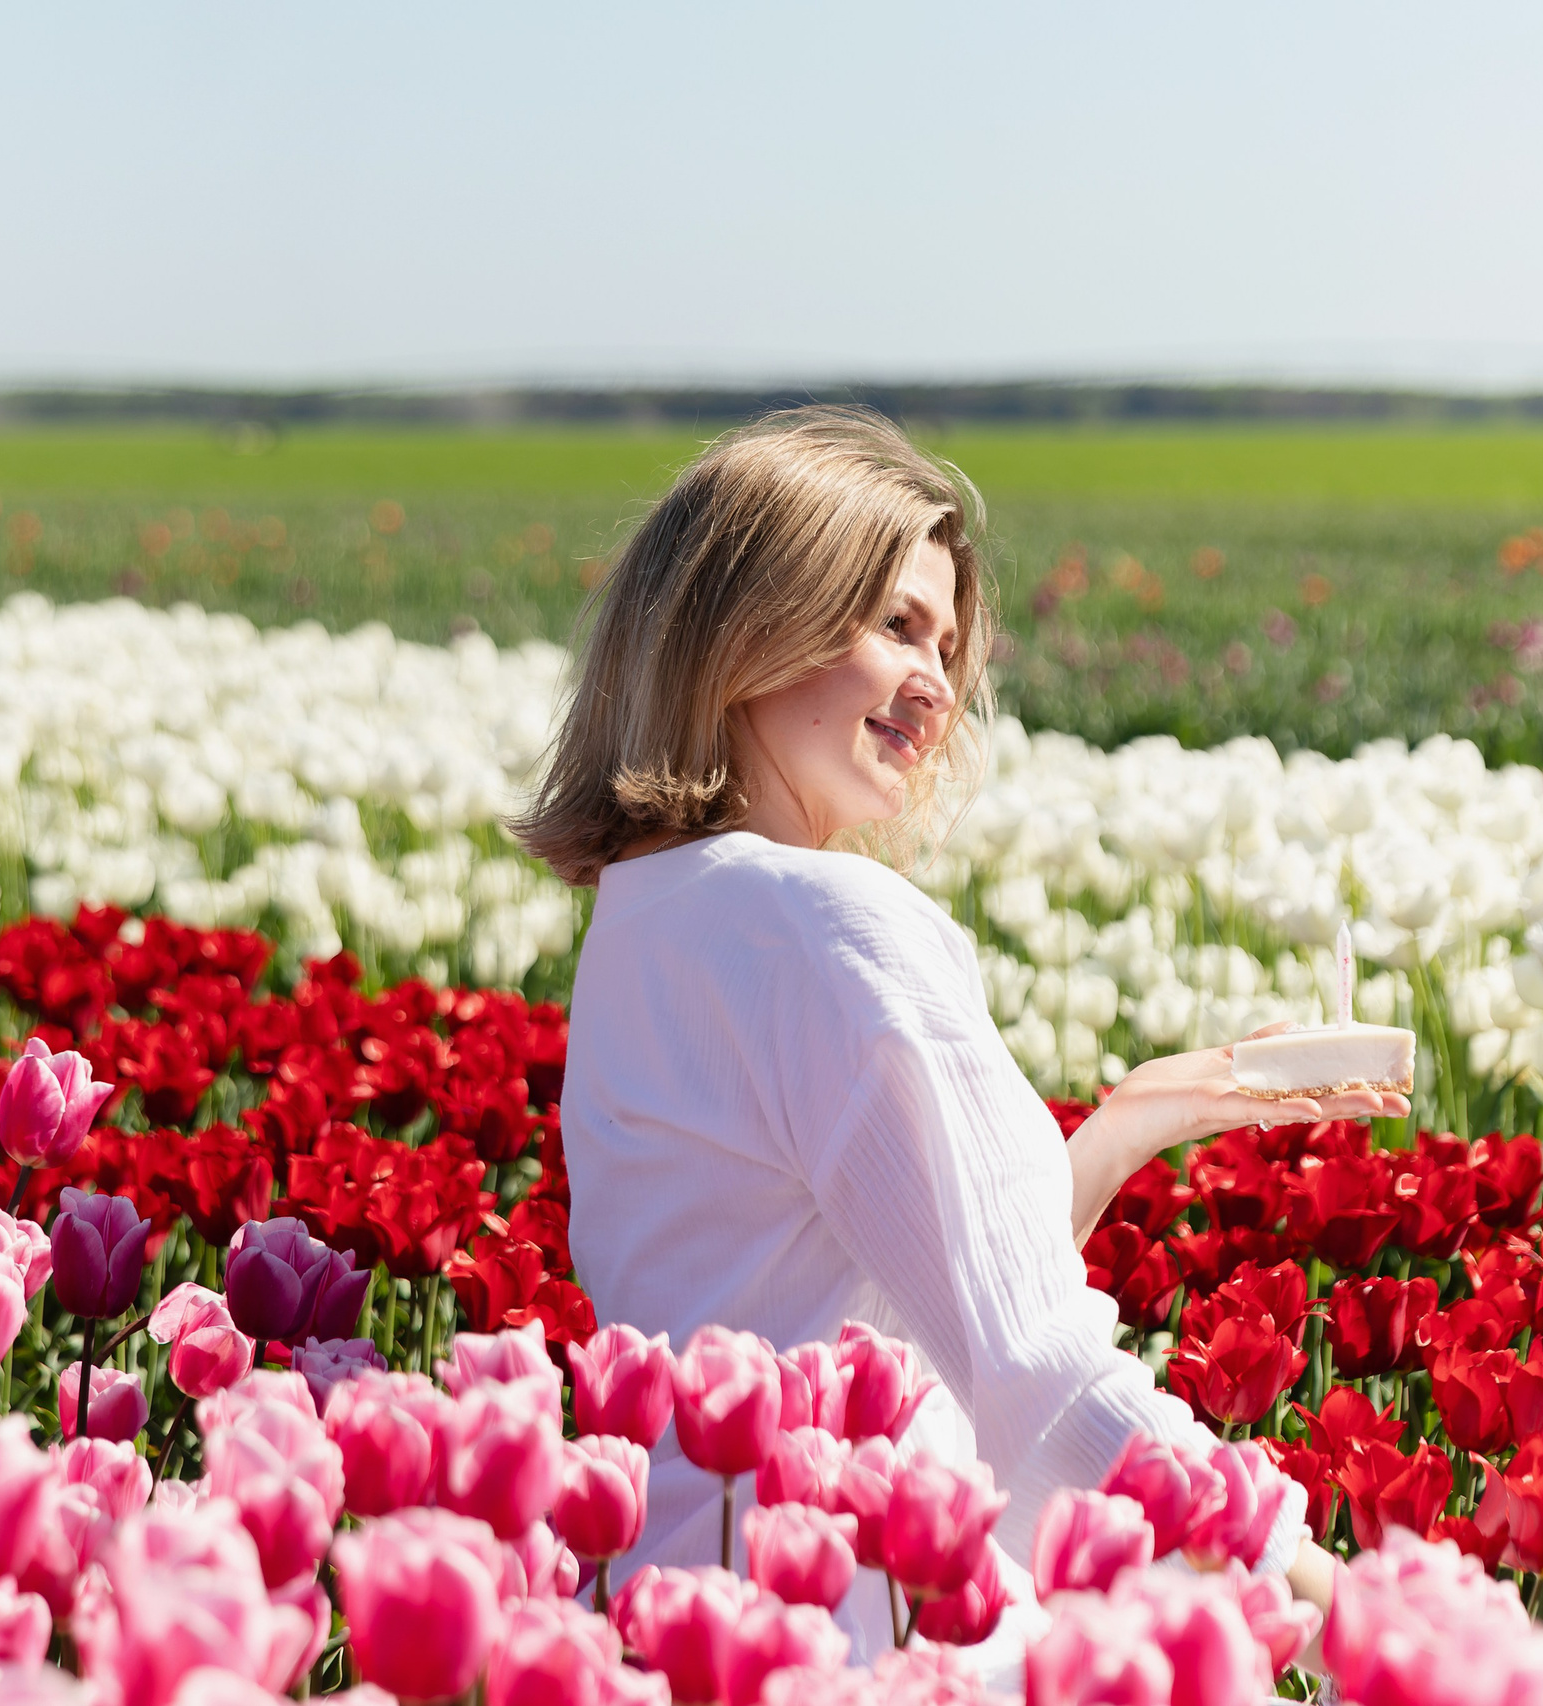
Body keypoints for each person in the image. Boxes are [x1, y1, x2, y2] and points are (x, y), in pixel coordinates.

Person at [512, 407, 1407, 1674]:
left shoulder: (645, 914)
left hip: (679, 1622)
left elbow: (836, 1293)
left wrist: (1113, 1136)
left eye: (945, 643)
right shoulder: (830, 922)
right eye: (893, 624)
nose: (935, 684)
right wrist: (1371, 1626)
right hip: (875, 1629)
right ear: (749, 622)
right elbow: (1037, 1384)